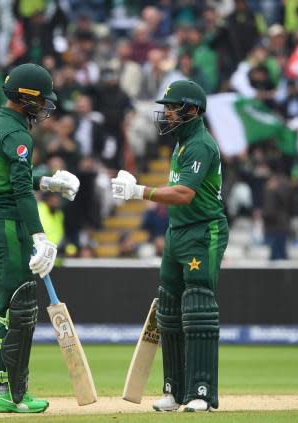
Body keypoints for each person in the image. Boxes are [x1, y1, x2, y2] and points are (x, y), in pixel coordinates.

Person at [111, 80, 229, 412]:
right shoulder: (180, 144)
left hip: (203, 231)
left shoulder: (201, 145)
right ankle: (174, 391)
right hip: (178, 231)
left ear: (192, 110)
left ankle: (201, 393)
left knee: (198, 307)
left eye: (172, 108)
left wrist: (139, 192)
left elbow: (184, 194)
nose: (166, 114)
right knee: (169, 309)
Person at [0, 63, 80, 414]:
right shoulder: (18, 135)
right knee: (17, 310)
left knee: (9, 311)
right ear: (26, 98)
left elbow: (12, 177)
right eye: (41, 101)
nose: (44, 108)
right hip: (6, 224)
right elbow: (19, 192)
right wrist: (39, 235)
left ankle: (7, 390)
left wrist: (48, 182)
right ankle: (8, 394)